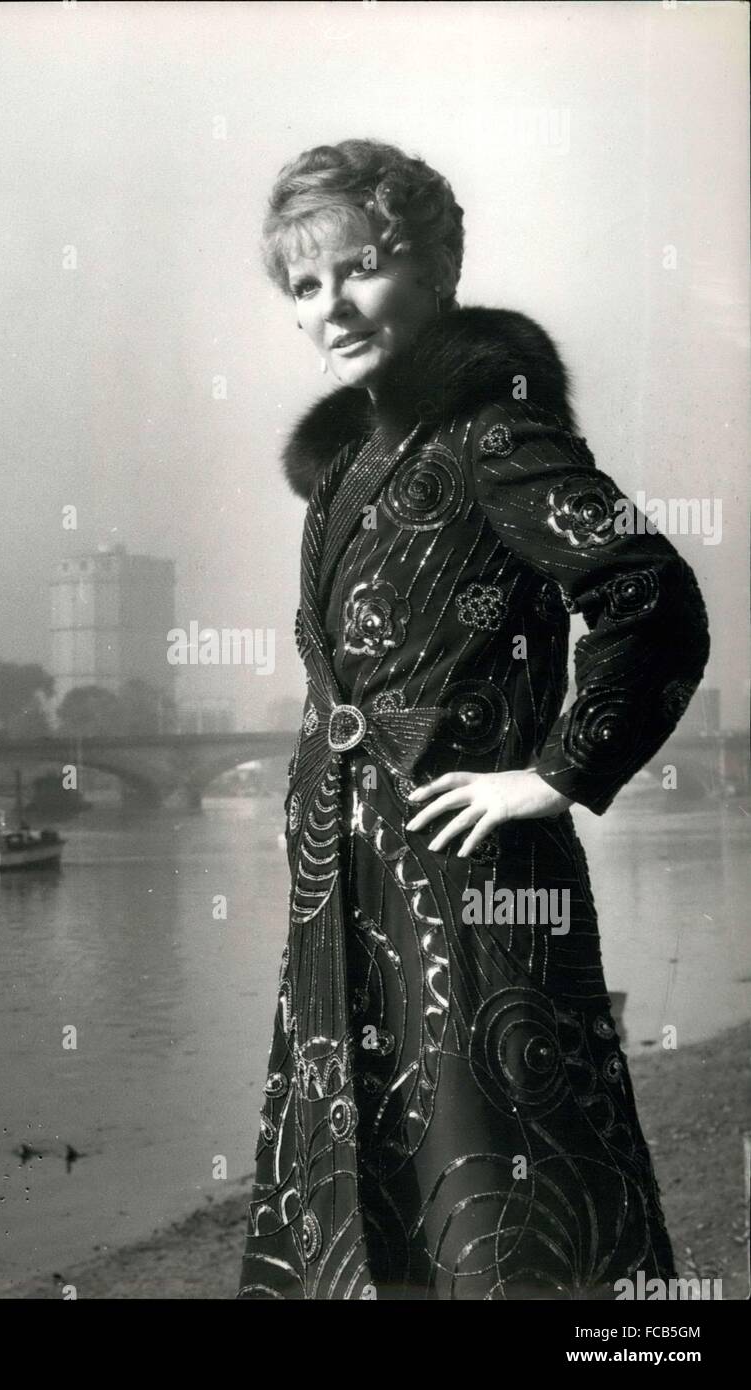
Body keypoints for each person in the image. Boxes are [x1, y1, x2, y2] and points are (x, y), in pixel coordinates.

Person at [236, 139, 711, 1300]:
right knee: (357, 1180)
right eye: (304, 287)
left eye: (358, 269)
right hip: (343, 885)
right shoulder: (350, 467)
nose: (330, 308)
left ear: (437, 267)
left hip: (474, 885)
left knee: (504, 1191)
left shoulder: (491, 434)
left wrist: (552, 772)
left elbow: (647, 595)